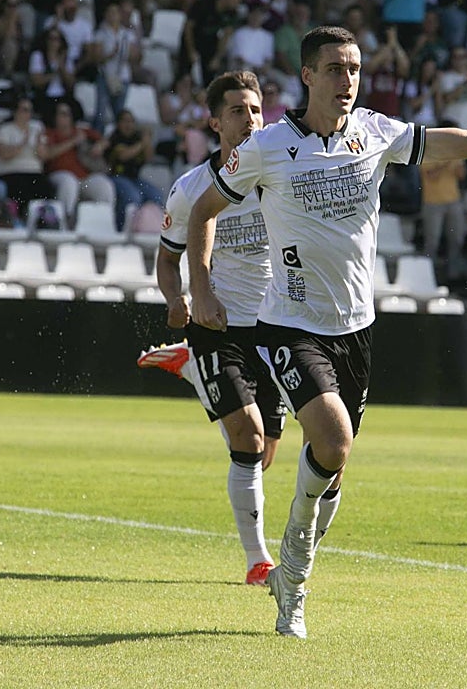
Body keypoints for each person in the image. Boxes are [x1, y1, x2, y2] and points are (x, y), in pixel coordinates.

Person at [185, 26, 467, 638]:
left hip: (356, 329)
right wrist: (204, 288)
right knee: (334, 441)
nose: (348, 80)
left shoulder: (377, 133)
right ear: (307, 77)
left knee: (332, 472)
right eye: (335, 69)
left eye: (354, 68)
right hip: (289, 325)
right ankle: (291, 571)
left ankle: (297, 549)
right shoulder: (267, 147)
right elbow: (203, 211)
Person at [139, 70, 288, 587]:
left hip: (276, 329)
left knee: (265, 451)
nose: (249, 120)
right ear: (214, 121)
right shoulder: (191, 189)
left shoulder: (280, 173)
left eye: (255, 109)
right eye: (237, 111)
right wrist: (177, 296)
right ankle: (258, 561)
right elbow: (165, 260)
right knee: (245, 441)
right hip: (217, 324)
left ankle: (187, 368)